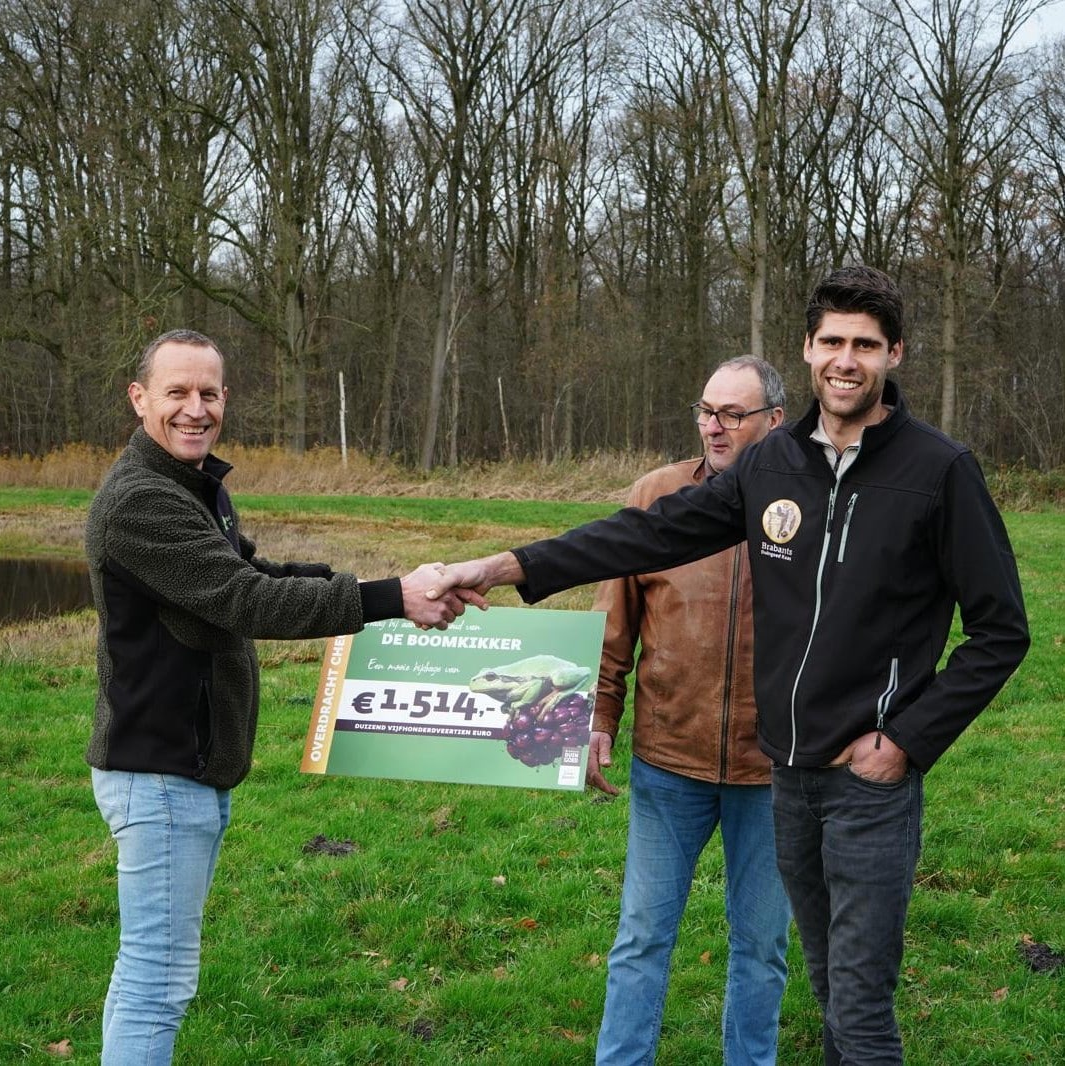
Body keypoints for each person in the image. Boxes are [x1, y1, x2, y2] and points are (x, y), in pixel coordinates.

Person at [430, 266, 1030, 1065]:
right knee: (824, 983)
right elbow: (643, 536)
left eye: (865, 344)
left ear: (895, 355)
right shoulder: (773, 463)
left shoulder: (938, 470)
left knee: (857, 1006)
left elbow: (1001, 630)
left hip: (867, 780)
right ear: (809, 349)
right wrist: (505, 566)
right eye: (831, 342)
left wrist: (906, 740)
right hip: (787, 777)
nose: (845, 360)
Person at [85, 329, 480, 1066]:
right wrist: (395, 597)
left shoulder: (192, 483)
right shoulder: (141, 502)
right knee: (156, 982)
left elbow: (256, 570)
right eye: (176, 392)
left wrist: (394, 585)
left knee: (145, 971)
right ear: (139, 399)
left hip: (187, 768)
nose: (194, 409)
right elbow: (249, 602)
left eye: (208, 393)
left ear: (225, 399)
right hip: (160, 772)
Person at [589, 356, 790, 1066]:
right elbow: (615, 623)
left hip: (775, 772)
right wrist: (600, 717)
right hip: (669, 761)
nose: (714, 425)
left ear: (775, 420)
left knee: (763, 946)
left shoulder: (815, 501)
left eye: (733, 413)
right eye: (706, 409)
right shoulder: (657, 494)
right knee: (642, 936)